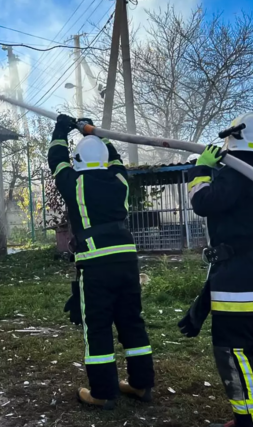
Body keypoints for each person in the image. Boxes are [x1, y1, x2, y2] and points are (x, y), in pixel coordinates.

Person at [178, 112, 253, 427]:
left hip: (243, 284)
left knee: (238, 356)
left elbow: (203, 202)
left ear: (234, 136)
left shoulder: (237, 174)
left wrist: (201, 170)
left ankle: (252, 421)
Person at [48, 114, 155, 409]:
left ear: (78, 161)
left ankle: (103, 393)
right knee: (132, 321)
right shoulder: (119, 179)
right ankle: (141, 384)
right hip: (127, 261)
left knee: (97, 327)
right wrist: (92, 131)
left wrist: (61, 129)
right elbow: (115, 156)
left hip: (96, 264)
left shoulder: (74, 183)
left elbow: (56, 159)